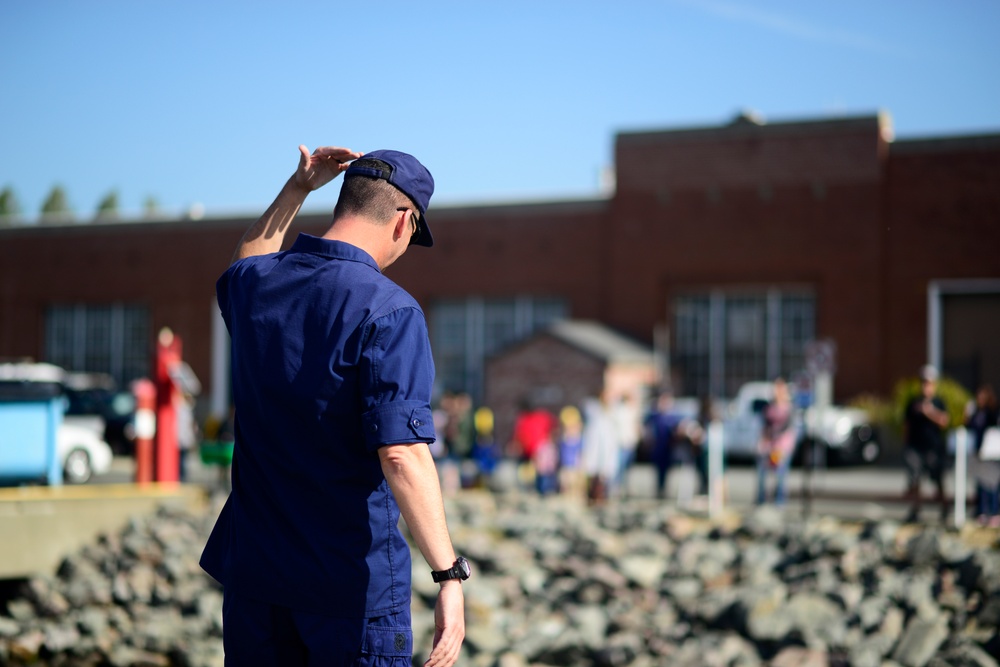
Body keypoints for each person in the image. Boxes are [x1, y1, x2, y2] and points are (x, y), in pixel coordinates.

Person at [200, 144, 466, 666]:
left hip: (257, 583)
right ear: (403, 221)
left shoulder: (260, 286)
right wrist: (447, 574)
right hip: (348, 590)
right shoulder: (390, 310)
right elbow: (401, 455)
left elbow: (247, 259)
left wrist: (298, 186)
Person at [903, 365, 950, 523]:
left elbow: (944, 421)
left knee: (937, 479)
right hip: (916, 446)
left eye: (928, 383)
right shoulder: (913, 402)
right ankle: (915, 510)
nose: (925, 386)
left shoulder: (938, 402)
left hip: (933, 448)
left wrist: (930, 412)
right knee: (915, 477)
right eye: (923, 382)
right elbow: (906, 425)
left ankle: (945, 508)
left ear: (933, 385)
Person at [756, 378, 797, 506]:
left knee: (780, 475)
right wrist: (763, 441)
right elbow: (765, 425)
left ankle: (779, 502)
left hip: (782, 447)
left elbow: (787, 426)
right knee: (762, 472)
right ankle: (761, 500)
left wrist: (775, 435)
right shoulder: (769, 407)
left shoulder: (788, 408)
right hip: (770, 446)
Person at [966, 383, 1000, 526]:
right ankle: (982, 511)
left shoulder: (991, 412)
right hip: (979, 453)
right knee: (981, 484)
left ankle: (994, 512)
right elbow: (969, 427)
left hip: (991, 454)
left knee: (992, 484)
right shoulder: (975, 412)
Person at [643, 391, 684, 500]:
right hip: (657, 449)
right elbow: (646, 429)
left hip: (668, 449)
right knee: (658, 471)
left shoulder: (673, 417)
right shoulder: (654, 416)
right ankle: (659, 490)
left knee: (666, 472)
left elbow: (679, 429)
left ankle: (663, 490)